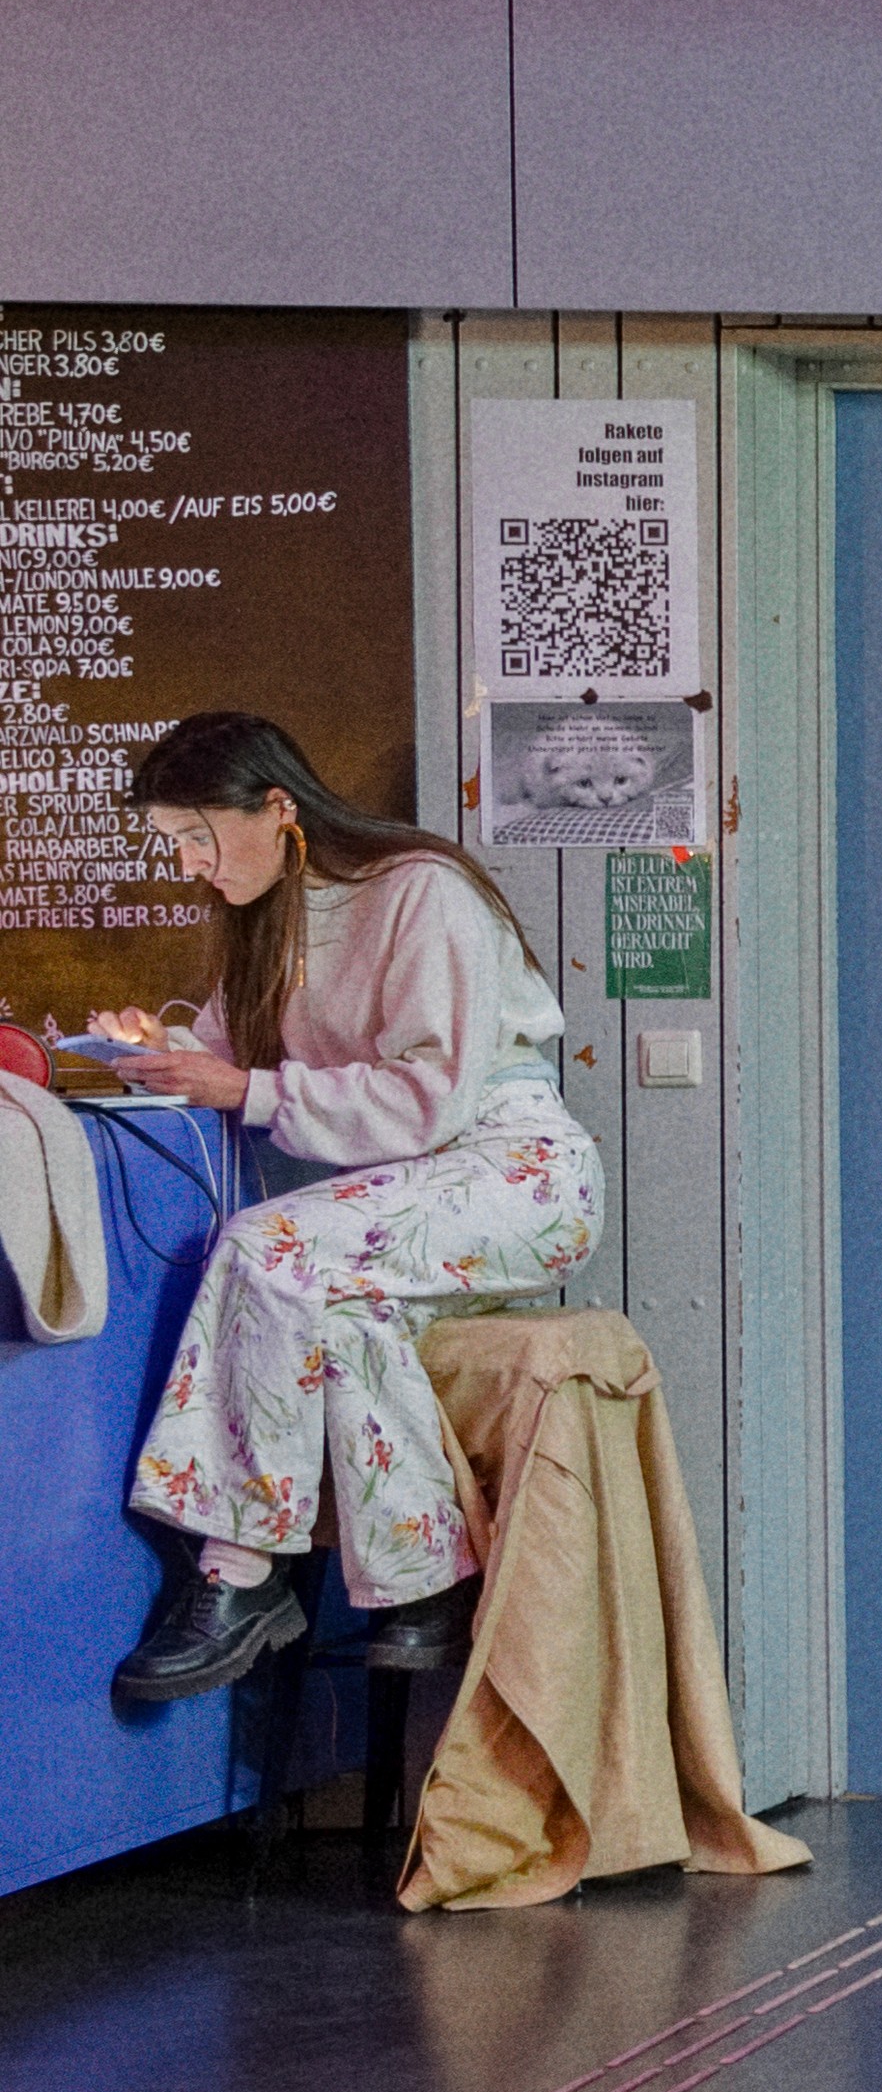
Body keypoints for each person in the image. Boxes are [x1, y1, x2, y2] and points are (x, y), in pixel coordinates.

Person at [87, 711, 594, 1704]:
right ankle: (422, 1580)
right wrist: (158, 1048)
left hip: (515, 1173)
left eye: (200, 836)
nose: (190, 864)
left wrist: (246, 1091)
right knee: (335, 1308)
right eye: (173, 844)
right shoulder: (269, 915)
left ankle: (237, 1572)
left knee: (268, 1246)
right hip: (406, 1194)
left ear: (277, 809)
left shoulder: (421, 893)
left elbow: (425, 1101)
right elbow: (238, 1058)